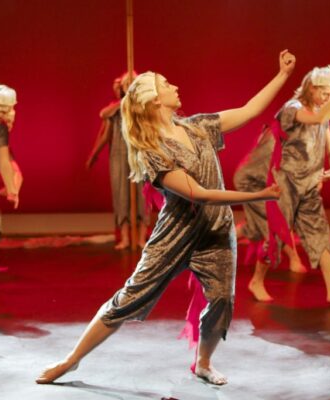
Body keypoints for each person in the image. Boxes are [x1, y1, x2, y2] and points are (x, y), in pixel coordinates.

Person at [36, 50, 296, 386]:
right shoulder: (153, 151)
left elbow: (248, 110)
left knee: (222, 300)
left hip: (215, 231)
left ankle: (203, 363)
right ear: (155, 100)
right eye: (166, 84)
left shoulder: (199, 126)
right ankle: (70, 361)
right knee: (129, 297)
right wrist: (261, 195)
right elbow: (199, 194)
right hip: (176, 234)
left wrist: (282, 74)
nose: (175, 86)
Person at [233, 66, 330, 306]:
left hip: (310, 185)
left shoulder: (322, 114)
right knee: (276, 236)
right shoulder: (292, 109)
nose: (328, 98)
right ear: (311, 89)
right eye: (325, 93)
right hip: (286, 184)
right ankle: (256, 281)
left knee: (320, 233)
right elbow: (316, 118)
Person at [86, 71, 149, 249]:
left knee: (142, 195)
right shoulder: (115, 109)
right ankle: (125, 238)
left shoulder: (143, 106)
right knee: (121, 194)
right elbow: (104, 126)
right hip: (119, 155)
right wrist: (94, 155)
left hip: (140, 155)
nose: (129, 86)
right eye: (126, 84)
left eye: (132, 83)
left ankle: (141, 238)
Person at [0, 83, 21, 307]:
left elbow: (3, 160)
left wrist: (12, 188)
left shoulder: (0, 130)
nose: (7, 114)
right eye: (2, 109)